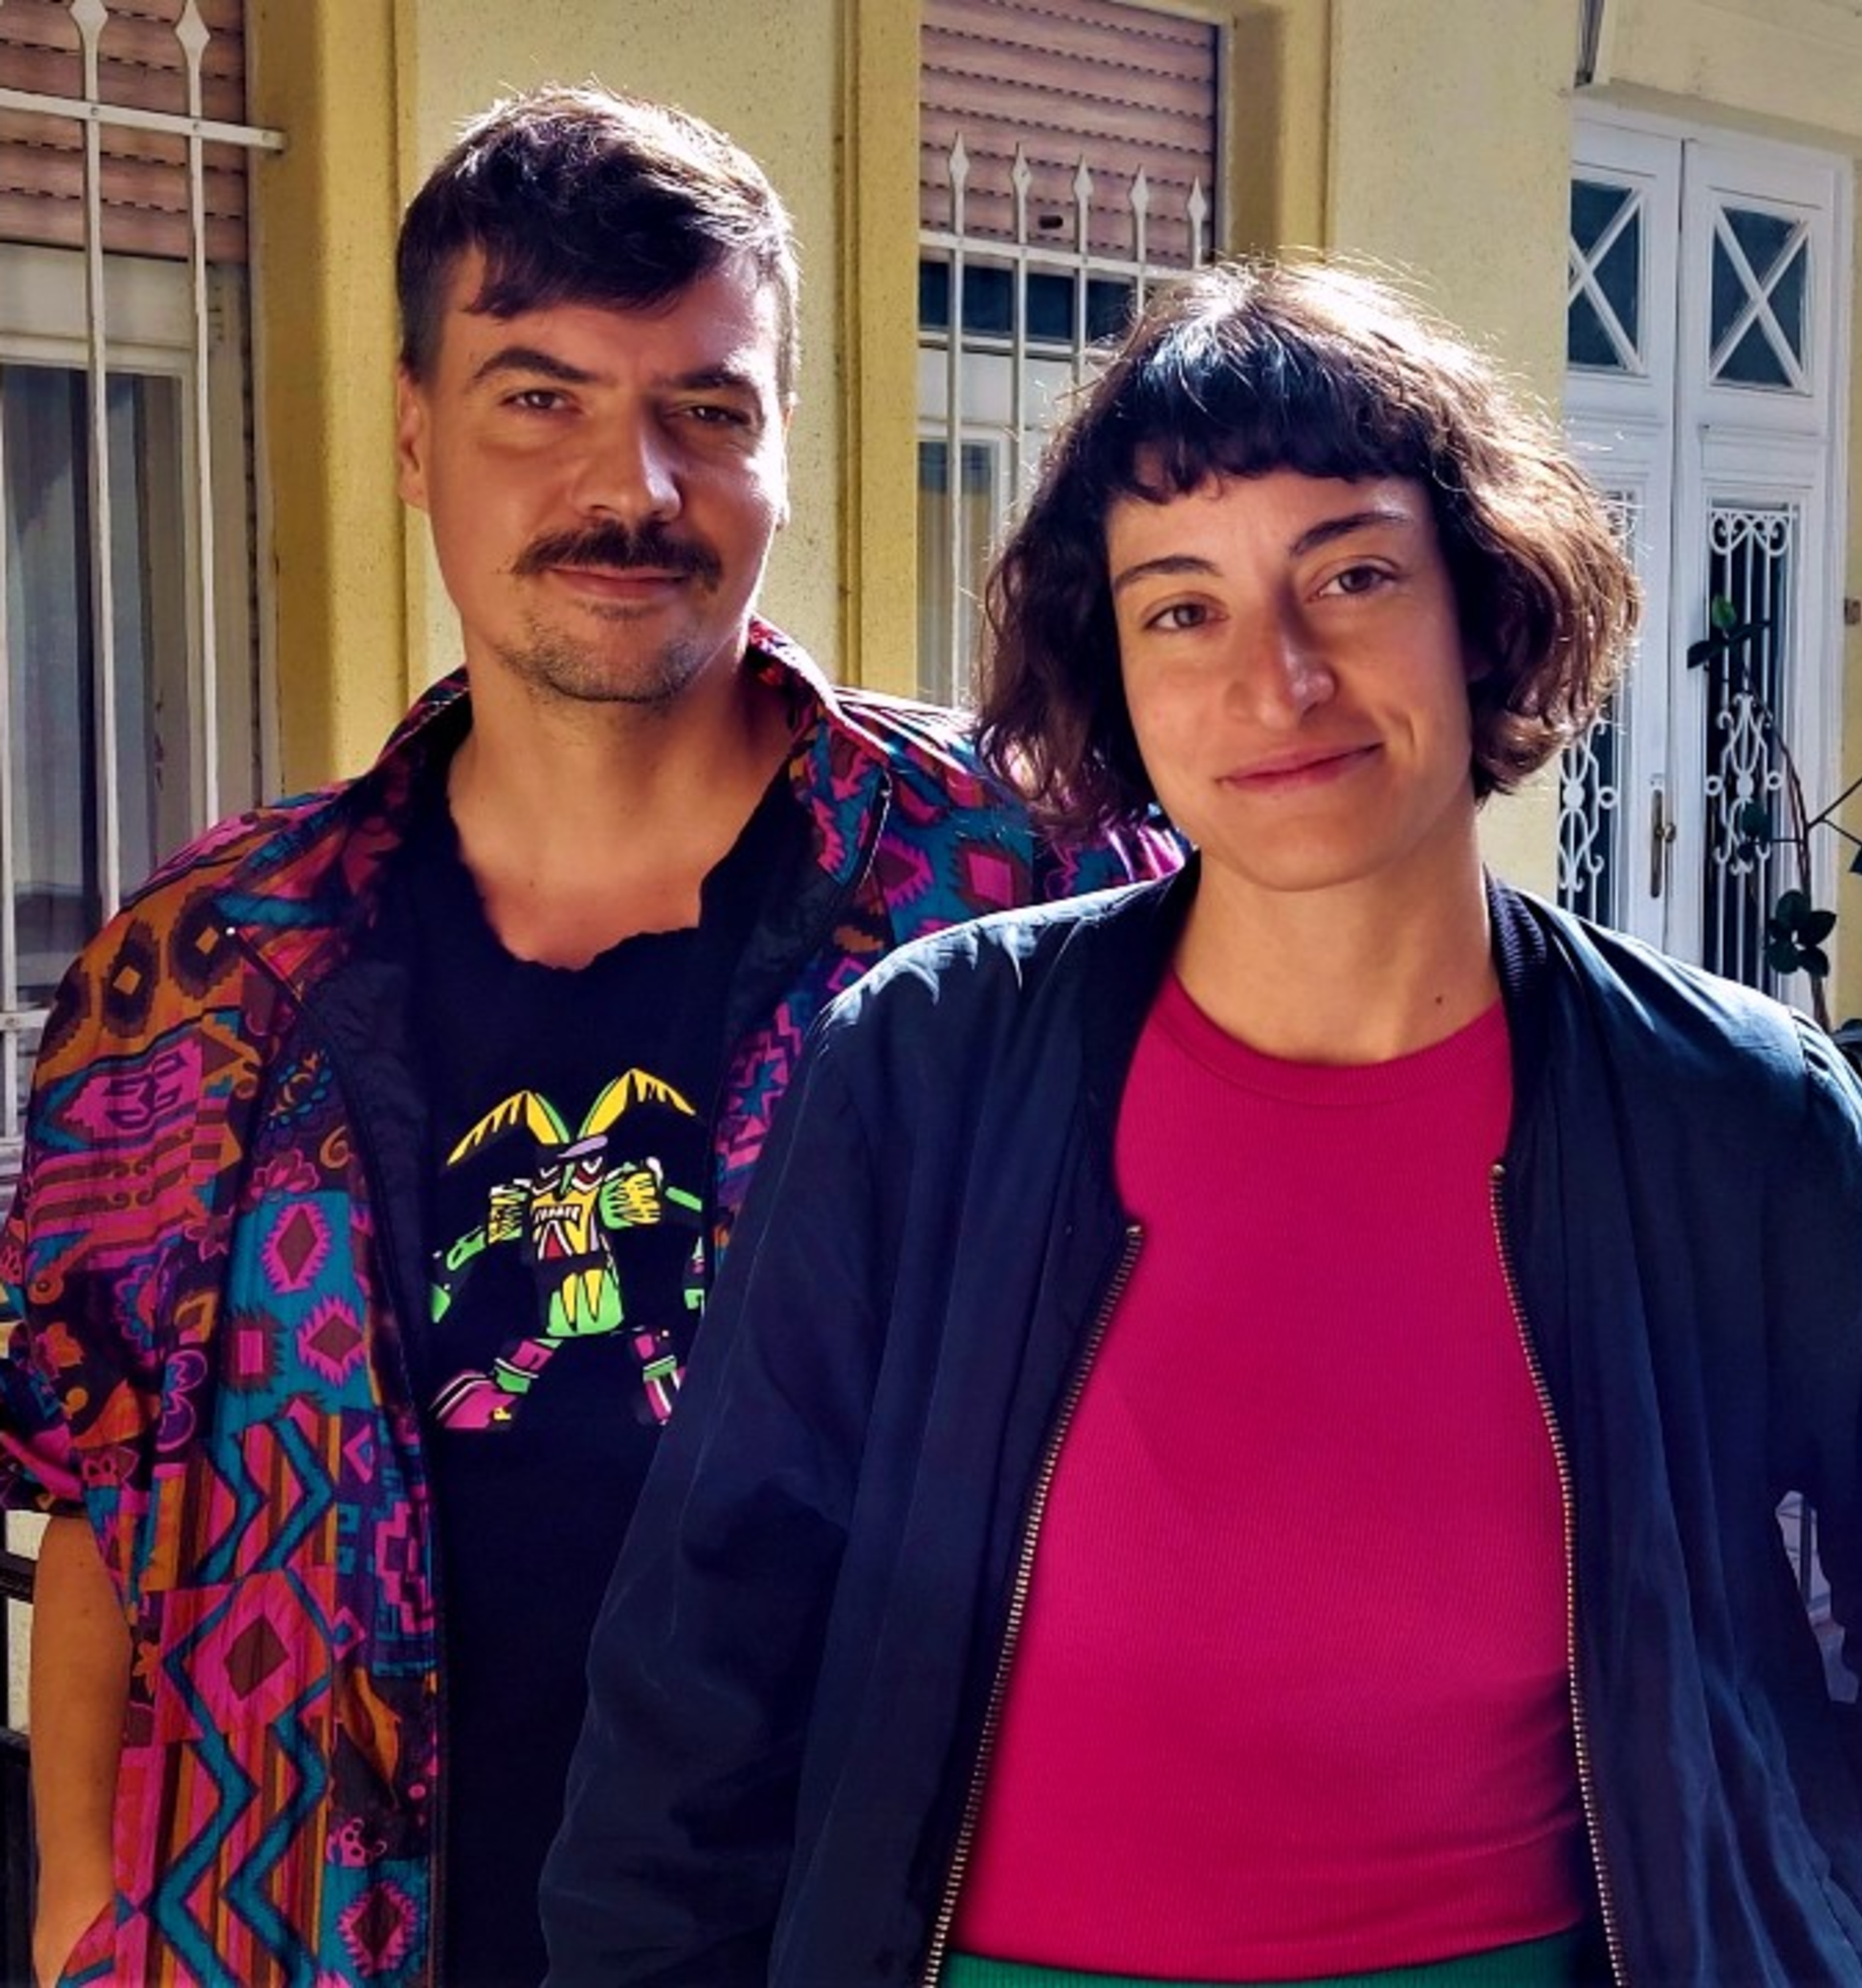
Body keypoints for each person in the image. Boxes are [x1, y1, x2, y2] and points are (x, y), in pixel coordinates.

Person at [541, 259, 1862, 1988]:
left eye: (1354, 576)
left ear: (1484, 606)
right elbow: (703, 1656)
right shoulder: (929, 1069)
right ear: (1114, 670)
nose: (1277, 678)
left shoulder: (1733, 1116)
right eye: (1182, 610)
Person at [0, 84, 1176, 1988]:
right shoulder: (198, 973)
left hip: (876, 1935)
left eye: (707, 408)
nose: (631, 487)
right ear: (412, 433)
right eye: (537, 397)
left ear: (784, 447)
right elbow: (96, 1478)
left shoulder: (1033, 897)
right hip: (297, 1933)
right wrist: (79, 1909)